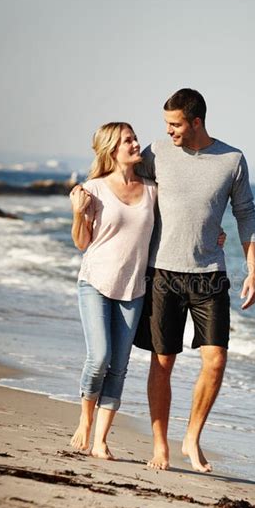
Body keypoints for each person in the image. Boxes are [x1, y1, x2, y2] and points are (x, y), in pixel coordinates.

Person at [134, 88, 255, 473]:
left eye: (175, 124)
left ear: (196, 122)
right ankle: (160, 445)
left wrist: (253, 269)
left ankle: (191, 437)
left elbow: (245, 214)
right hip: (163, 273)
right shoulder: (156, 152)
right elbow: (124, 181)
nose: (169, 131)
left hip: (209, 274)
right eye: (167, 124)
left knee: (216, 359)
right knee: (163, 361)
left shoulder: (232, 160)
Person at [69, 122, 156, 460]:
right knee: (100, 356)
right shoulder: (93, 190)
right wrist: (78, 213)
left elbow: (175, 225)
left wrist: (214, 236)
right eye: (127, 140)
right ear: (112, 150)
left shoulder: (152, 190)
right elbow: (82, 243)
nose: (135, 143)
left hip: (133, 288)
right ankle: (85, 421)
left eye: (134, 138)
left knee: (119, 366)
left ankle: (101, 441)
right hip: (95, 283)